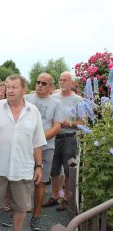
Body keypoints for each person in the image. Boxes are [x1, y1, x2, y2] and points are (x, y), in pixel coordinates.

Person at [0, 74, 47, 231]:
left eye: (14, 87)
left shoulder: (33, 111)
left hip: (22, 168)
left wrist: (39, 166)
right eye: (8, 87)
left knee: (21, 208)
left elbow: (37, 143)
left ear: (24, 89)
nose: (10, 91)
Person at [24, 73, 62, 231]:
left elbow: (57, 127)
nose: (39, 85)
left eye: (44, 83)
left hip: (46, 148)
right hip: (24, 147)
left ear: (51, 87)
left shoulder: (56, 103)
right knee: (21, 180)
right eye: (38, 82)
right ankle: (18, 212)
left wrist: (38, 138)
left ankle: (36, 216)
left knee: (40, 182)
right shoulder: (26, 98)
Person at [42, 71, 83, 211]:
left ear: (71, 83)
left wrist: (69, 124)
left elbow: (83, 122)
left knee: (67, 169)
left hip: (69, 138)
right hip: (53, 138)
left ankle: (66, 199)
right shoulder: (53, 97)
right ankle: (54, 196)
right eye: (60, 79)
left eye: (65, 80)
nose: (62, 82)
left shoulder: (78, 100)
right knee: (53, 169)